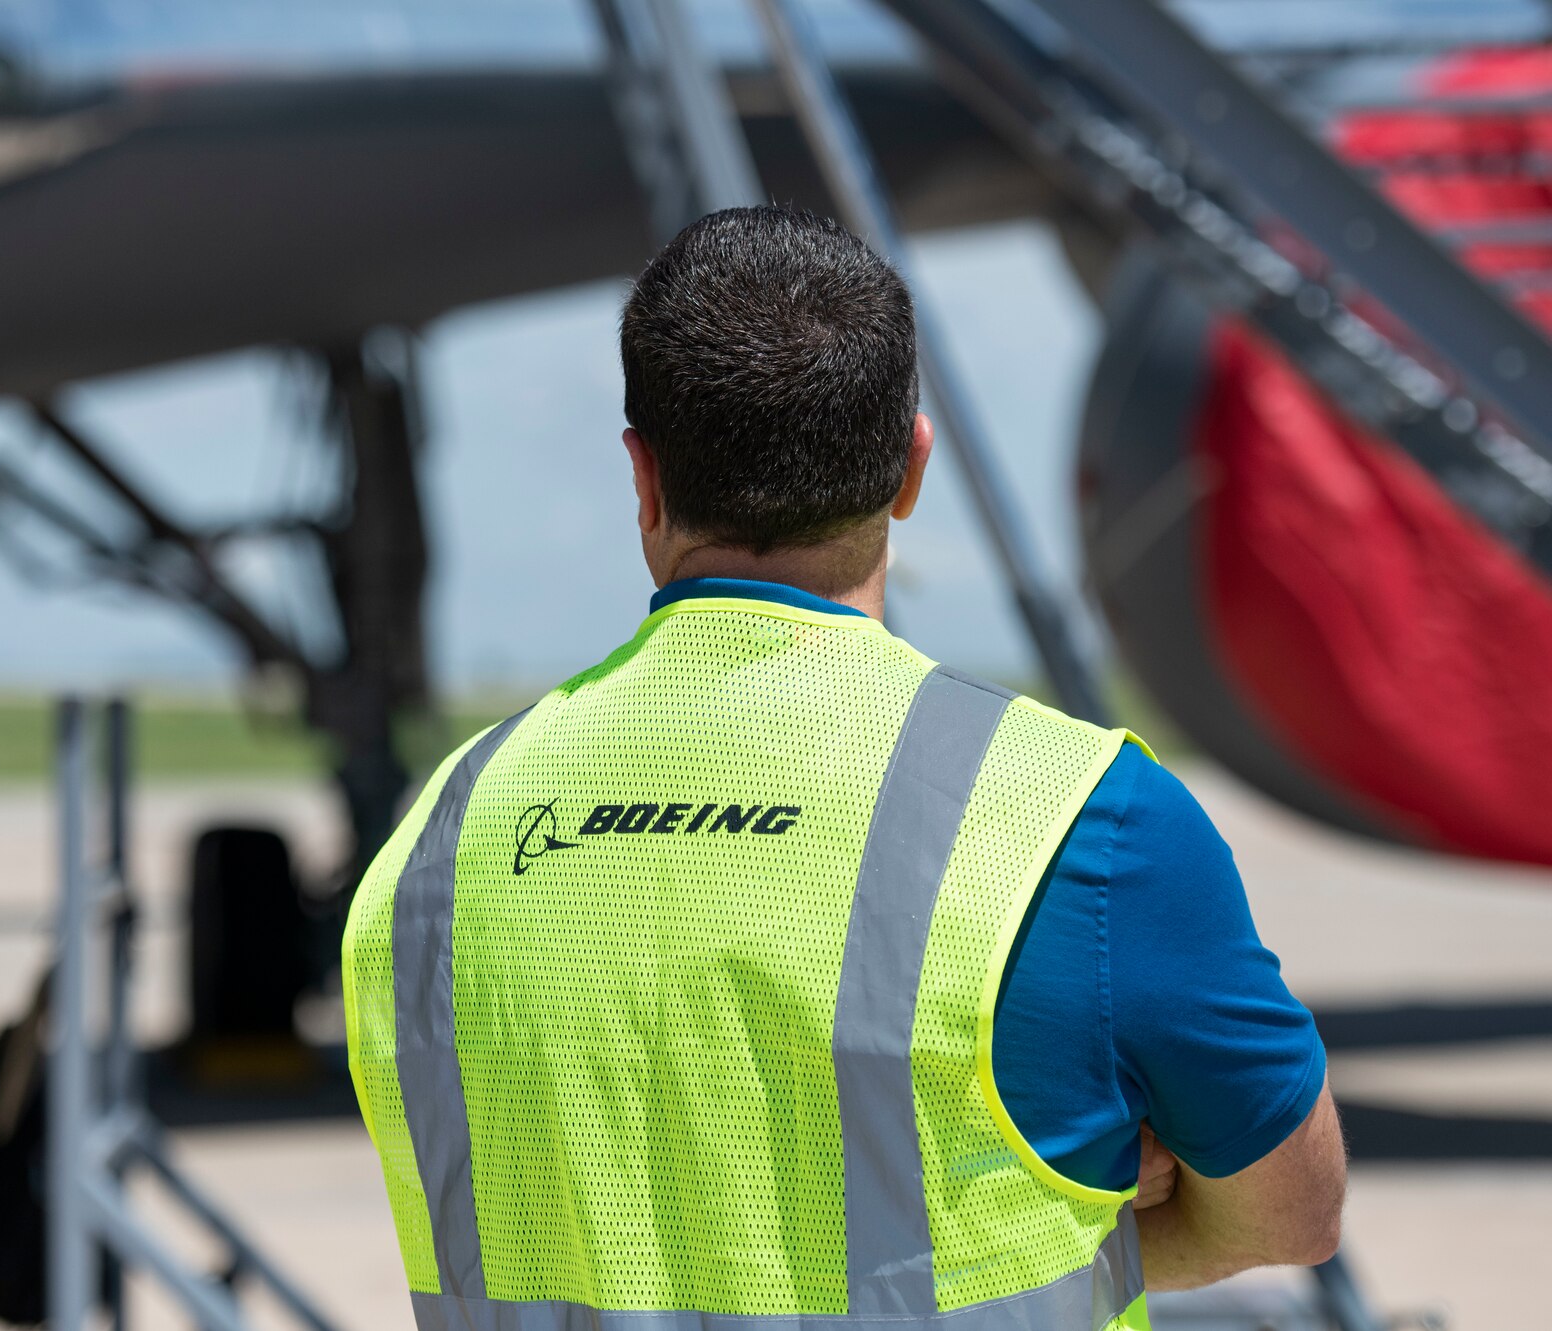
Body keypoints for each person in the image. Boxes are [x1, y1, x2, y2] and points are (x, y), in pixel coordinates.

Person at [343, 204, 1343, 1331]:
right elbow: (1289, 1212)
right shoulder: (1077, 821)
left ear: (643, 477)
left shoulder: (440, 837)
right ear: (910, 465)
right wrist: (1103, 1221)